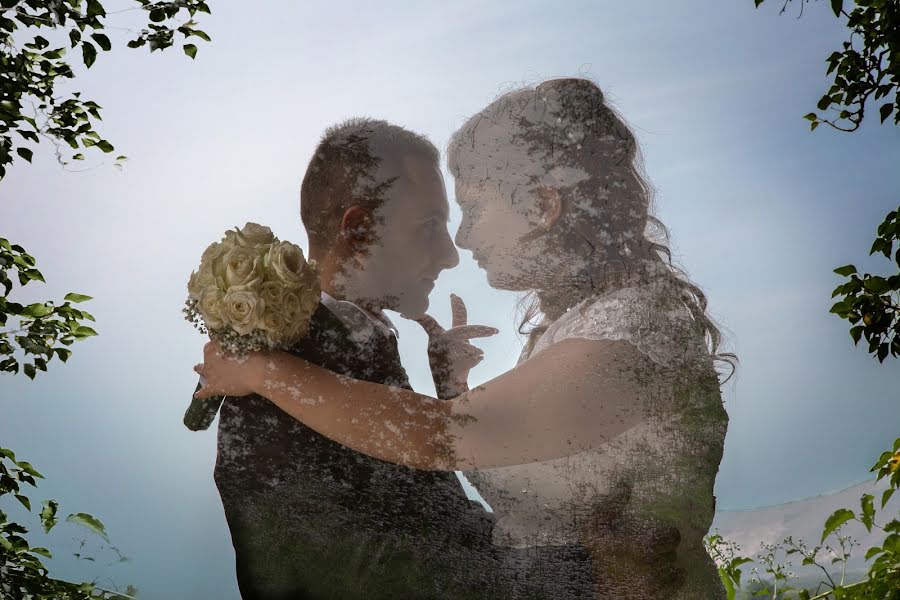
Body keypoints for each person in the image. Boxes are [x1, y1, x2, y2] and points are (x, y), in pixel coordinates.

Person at [196, 78, 736, 599]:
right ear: (358, 229)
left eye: (473, 209)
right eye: (434, 222)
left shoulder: (627, 330)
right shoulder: (569, 328)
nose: (460, 241)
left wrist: (260, 372)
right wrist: (453, 386)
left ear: (544, 207)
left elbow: (441, 440)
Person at [207, 118, 507, 600]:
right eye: (430, 227)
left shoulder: (361, 343)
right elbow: (309, 569)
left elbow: (434, 511)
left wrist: (450, 389)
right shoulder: (270, 370)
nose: (451, 255)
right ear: (359, 228)